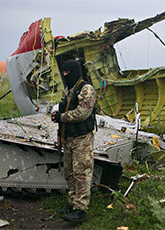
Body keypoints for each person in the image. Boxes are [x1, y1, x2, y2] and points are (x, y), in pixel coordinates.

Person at [51, 59, 97, 223]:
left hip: (82, 138)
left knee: (81, 174)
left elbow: (82, 113)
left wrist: (60, 117)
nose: (64, 75)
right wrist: (59, 134)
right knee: (69, 173)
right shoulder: (68, 91)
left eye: (67, 72)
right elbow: (63, 112)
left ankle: (80, 210)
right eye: (63, 72)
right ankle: (72, 204)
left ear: (74, 72)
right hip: (68, 138)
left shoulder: (86, 89)